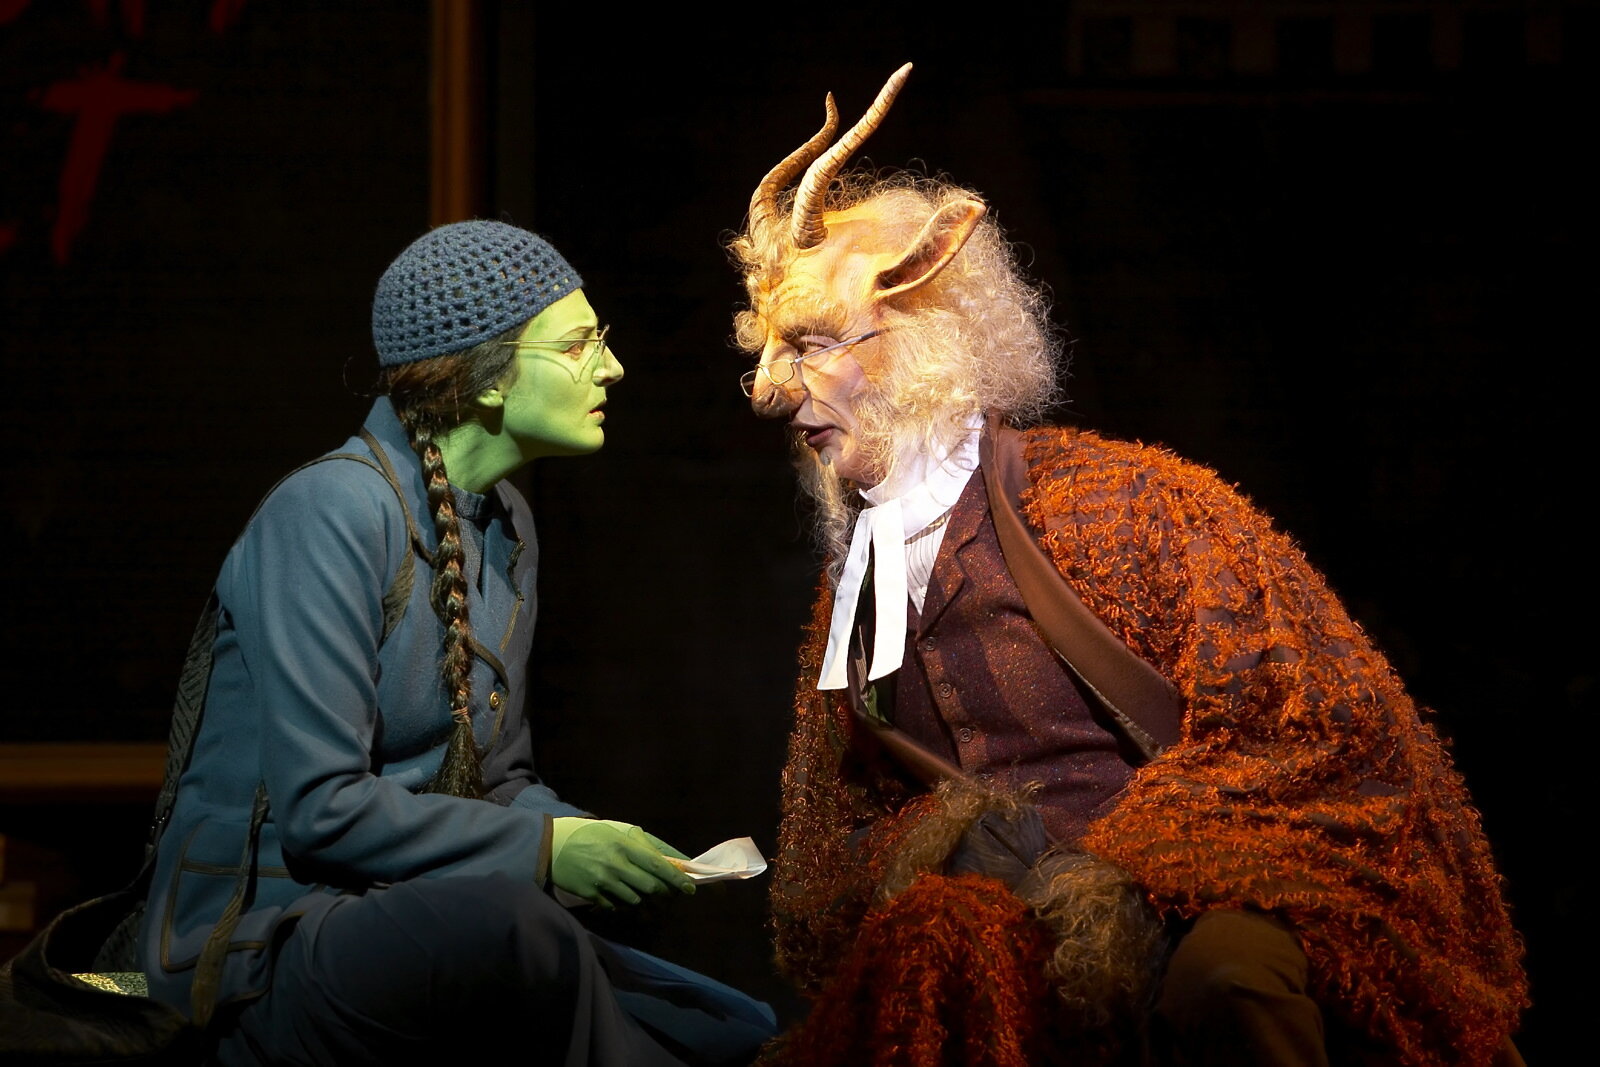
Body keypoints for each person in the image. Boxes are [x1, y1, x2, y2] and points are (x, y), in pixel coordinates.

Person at [728, 64, 1527, 1067]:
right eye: (767, 352)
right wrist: (935, 850)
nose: (770, 392)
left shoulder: (1115, 503)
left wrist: (1121, 868)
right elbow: (838, 825)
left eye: (809, 344)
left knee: (1226, 986)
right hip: (1000, 924)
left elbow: (1310, 729)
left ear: (919, 327)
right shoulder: (857, 587)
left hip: (1196, 890)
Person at [137, 219, 777, 1065]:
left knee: (729, 1023)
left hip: (406, 907)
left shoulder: (508, 526)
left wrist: (594, 838)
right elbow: (323, 809)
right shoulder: (331, 511)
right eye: (579, 345)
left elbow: (497, 781)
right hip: (267, 939)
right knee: (521, 931)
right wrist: (545, 853)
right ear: (489, 378)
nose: (612, 367)